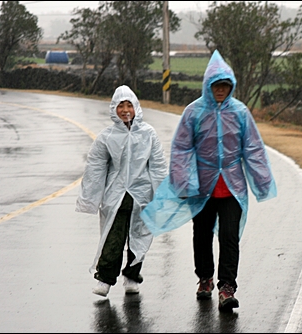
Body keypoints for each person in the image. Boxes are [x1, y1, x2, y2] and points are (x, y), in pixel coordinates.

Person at [140, 50, 277, 312]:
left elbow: (253, 148)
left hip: (233, 187)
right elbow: (181, 147)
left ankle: (227, 287)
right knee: (201, 236)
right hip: (201, 187)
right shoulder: (193, 112)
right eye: (217, 86)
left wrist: (262, 181)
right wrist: (181, 182)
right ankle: (205, 278)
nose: (221, 90)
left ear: (231, 86)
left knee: (229, 237)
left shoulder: (240, 112)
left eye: (225, 85)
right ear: (208, 86)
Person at [76, 85, 168, 297]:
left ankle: (132, 276)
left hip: (142, 196)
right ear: (114, 109)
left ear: (136, 107)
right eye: (120, 106)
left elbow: (158, 165)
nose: (125, 110)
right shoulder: (106, 137)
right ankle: (105, 280)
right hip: (115, 197)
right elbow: (95, 168)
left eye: (129, 105)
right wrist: (90, 198)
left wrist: (162, 194)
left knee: (140, 238)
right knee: (112, 238)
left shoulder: (148, 134)